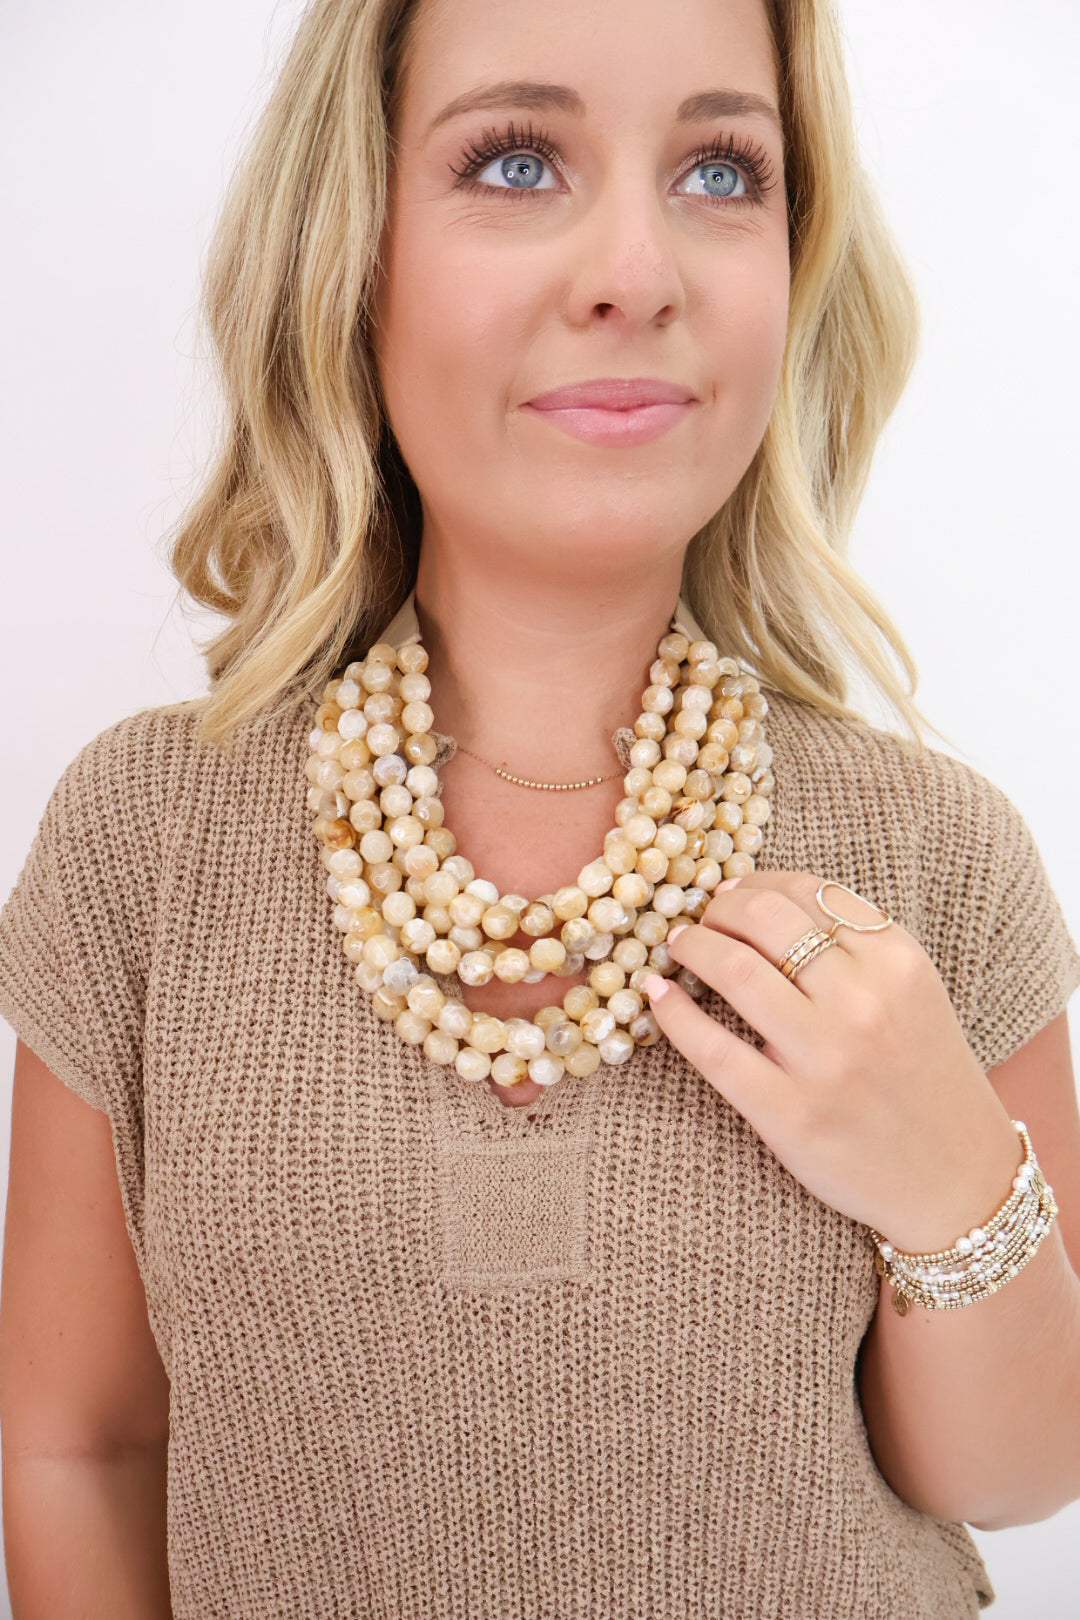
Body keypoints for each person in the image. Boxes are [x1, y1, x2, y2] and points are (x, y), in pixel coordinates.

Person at [1, 0, 1078, 1615]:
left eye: (722, 171)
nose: (636, 271)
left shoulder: (935, 852)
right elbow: (80, 1445)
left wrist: (951, 1182)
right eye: (516, 160)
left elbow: (1013, 1476)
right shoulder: (148, 841)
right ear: (352, 250)